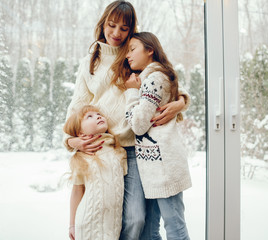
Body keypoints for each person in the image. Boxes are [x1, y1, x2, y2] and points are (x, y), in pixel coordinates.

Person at [64, 1, 190, 239]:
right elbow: (77, 106)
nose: (116, 33)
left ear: (131, 29)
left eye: (124, 28)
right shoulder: (90, 61)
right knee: (102, 217)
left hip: (135, 148)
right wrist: (71, 141)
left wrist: (181, 100)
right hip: (103, 148)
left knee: (136, 220)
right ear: (103, 24)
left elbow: (164, 81)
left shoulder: (134, 54)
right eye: (111, 26)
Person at [124, 32, 192, 240]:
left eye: (132, 49)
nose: (128, 55)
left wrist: (131, 92)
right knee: (151, 231)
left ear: (150, 50)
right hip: (155, 166)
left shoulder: (152, 79)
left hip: (164, 166)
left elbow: (138, 125)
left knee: (174, 227)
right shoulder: (155, 76)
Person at [64, 105, 127, 240]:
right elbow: (76, 192)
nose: (98, 116)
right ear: (81, 133)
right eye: (89, 117)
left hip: (113, 224)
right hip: (87, 223)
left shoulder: (119, 152)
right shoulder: (81, 158)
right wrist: (72, 224)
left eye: (98, 114)